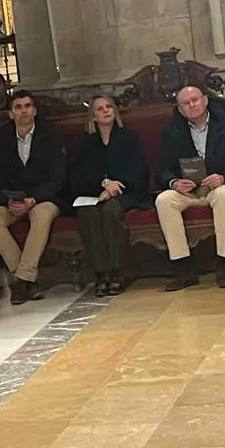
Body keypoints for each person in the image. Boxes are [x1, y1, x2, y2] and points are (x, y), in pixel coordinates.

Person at [154, 86, 225, 291]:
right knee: (163, 200)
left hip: (220, 186)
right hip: (188, 191)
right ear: (180, 109)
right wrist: (174, 182)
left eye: (195, 100)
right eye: (186, 103)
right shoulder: (171, 132)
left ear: (205, 100)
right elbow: (163, 169)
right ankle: (183, 268)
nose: (192, 105)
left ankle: (224, 263)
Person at [0, 90, 66, 305]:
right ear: (11, 114)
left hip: (45, 198)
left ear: (35, 111)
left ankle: (22, 280)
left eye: (28, 106)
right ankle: (25, 278)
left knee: (41, 214)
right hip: (13, 200)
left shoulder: (50, 134)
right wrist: (9, 201)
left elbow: (58, 177)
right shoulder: (1, 138)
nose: (24, 111)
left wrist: (33, 200)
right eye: (18, 107)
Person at [72, 94, 150, 297]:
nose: (106, 111)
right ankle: (100, 273)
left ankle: (117, 272)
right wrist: (104, 184)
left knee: (110, 211)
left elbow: (139, 170)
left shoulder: (128, 137)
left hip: (128, 192)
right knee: (88, 213)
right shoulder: (86, 143)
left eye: (109, 107)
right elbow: (81, 174)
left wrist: (115, 187)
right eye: (100, 108)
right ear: (93, 117)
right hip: (95, 194)